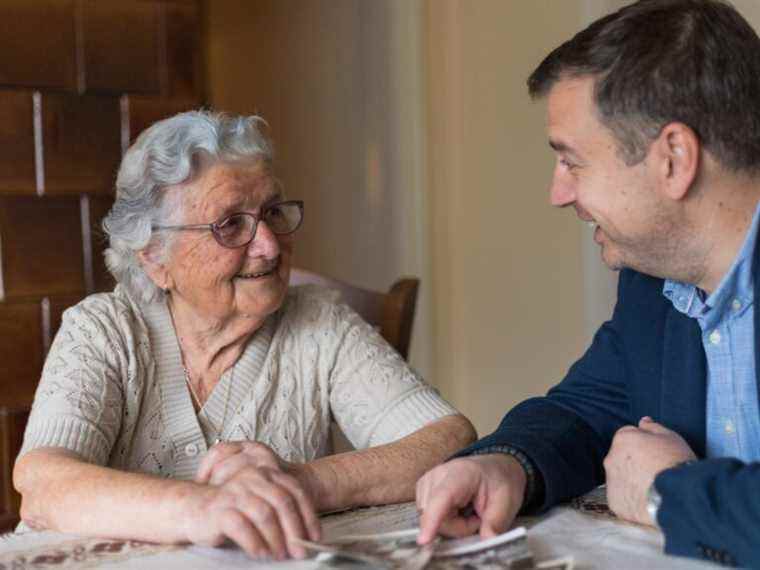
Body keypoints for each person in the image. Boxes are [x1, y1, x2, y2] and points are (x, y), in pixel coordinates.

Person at [13, 111, 476, 560]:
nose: (270, 245)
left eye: (272, 212)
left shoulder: (319, 324)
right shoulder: (104, 332)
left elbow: (448, 438)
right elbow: (44, 485)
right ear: (155, 257)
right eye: (230, 224)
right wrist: (202, 507)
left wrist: (300, 482)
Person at [416, 0, 760, 566]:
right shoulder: (654, 285)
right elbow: (587, 406)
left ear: (674, 158)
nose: (558, 193)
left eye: (572, 162)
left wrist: (666, 493)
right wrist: (504, 464)